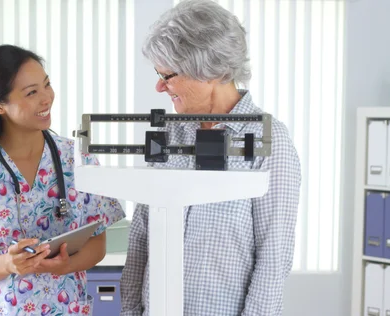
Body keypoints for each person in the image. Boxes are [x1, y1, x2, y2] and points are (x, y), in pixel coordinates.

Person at [119, 0, 301, 315]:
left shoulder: (269, 141)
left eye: (169, 75)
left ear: (211, 71)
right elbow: (140, 236)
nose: (159, 86)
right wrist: (132, 310)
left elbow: (273, 259)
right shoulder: (170, 135)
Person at [0, 44, 126, 316]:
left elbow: (97, 244)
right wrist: (7, 264)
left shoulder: (77, 160)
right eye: (32, 93)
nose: (46, 98)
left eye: (46, 85)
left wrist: (65, 266)